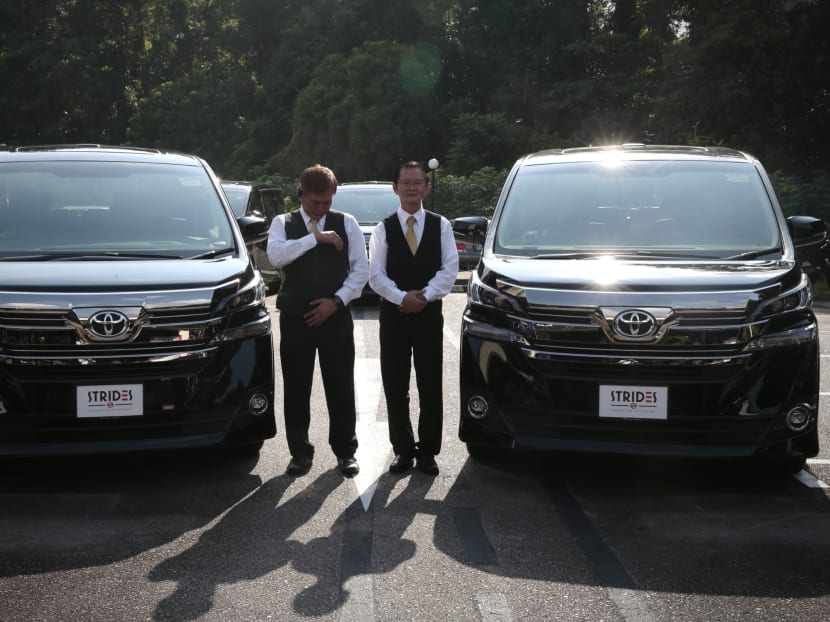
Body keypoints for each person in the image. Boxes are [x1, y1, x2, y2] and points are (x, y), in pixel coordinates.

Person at [266, 164, 369, 478]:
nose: (322, 208)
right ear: (301, 194)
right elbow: (276, 257)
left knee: (340, 386)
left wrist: (336, 301)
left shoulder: (347, 222)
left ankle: (345, 452)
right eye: (315, 202)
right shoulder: (283, 223)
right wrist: (316, 238)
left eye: (327, 202)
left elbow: (360, 271)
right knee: (296, 388)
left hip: (335, 317)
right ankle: (300, 453)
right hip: (296, 319)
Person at [368, 161, 460, 475]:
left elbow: (449, 269)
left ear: (426, 187)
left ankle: (428, 452)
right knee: (395, 385)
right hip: (393, 318)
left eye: (417, 182)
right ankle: (403, 450)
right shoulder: (383, 229)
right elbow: (376, 276)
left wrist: (424, 296)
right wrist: (402, 298)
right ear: (395, 188)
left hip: (429, 316)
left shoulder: (440, 225)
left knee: (430, 383)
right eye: (405, 182)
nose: (411, 188)